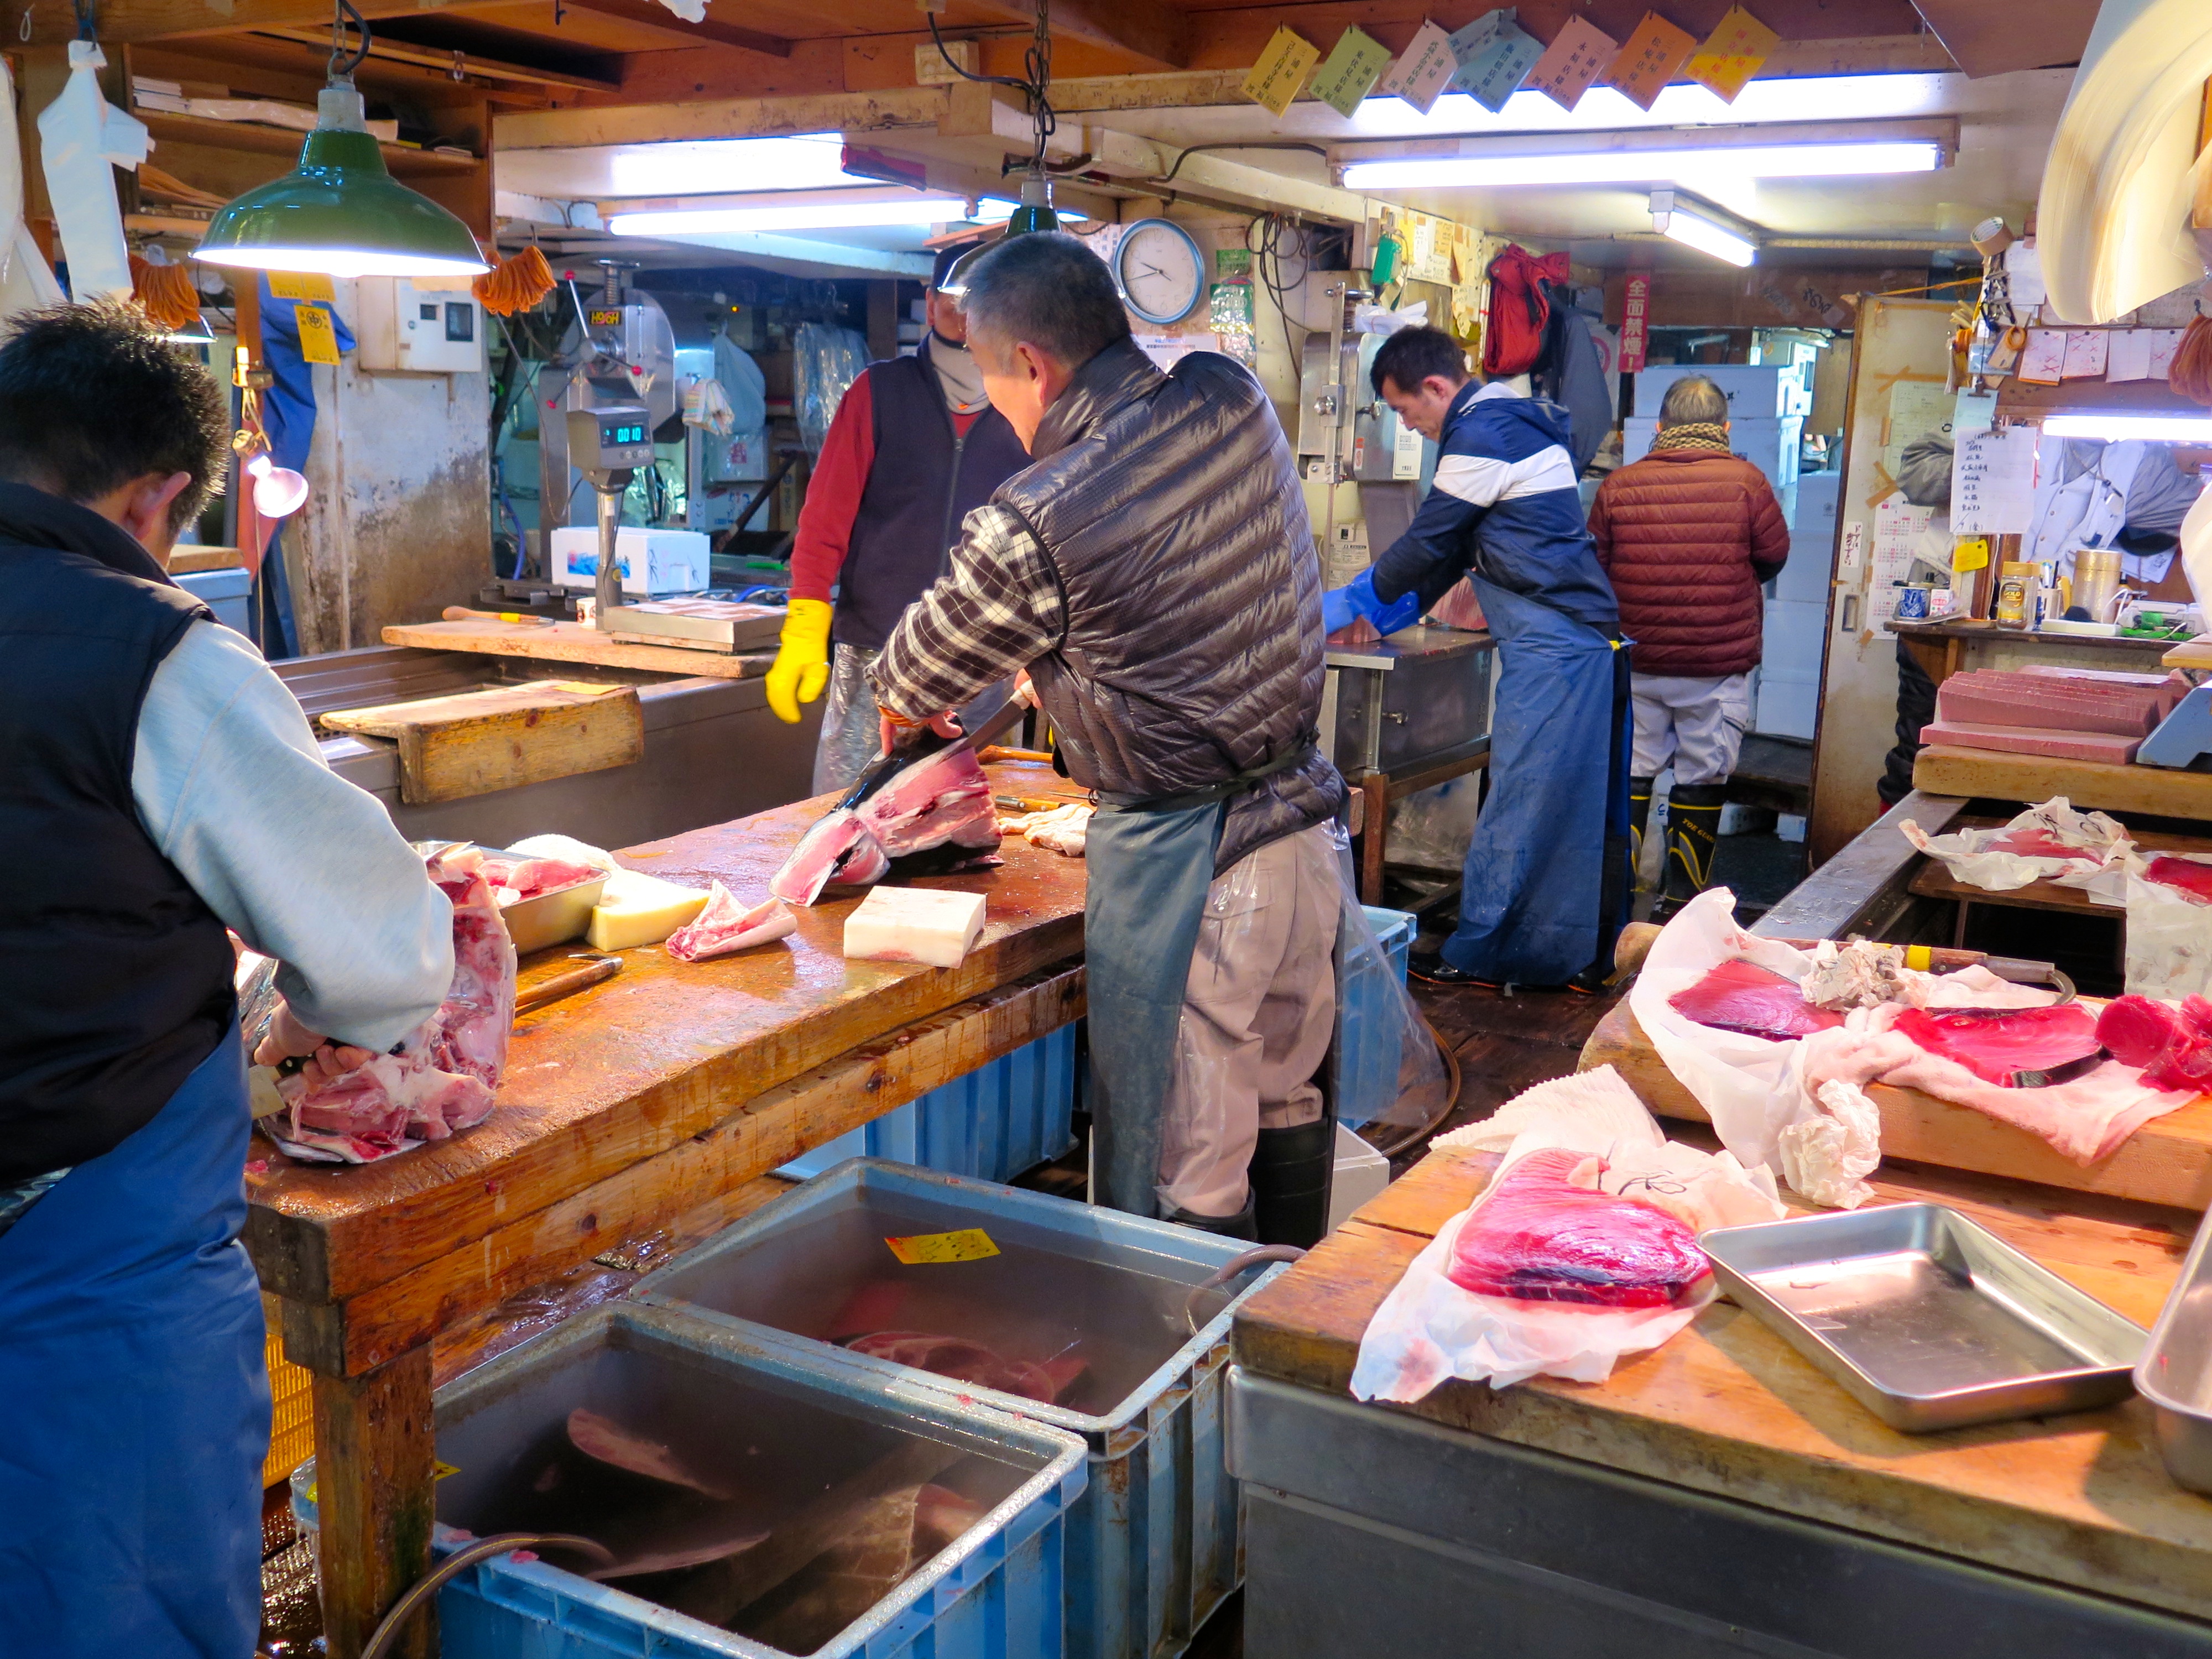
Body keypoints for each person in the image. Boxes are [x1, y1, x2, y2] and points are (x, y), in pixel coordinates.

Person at [0, 301, 453, 1657]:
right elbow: (382, 959)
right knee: (115, 1609)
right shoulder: (152, 651)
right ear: (156, 497)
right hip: (81, 1259)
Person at [867, 232, 1345, 1243]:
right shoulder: (1230, 396)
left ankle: (1192, 1347)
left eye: (990, 376)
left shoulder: (1035, 518)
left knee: (1188, 1168)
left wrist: (925, 699)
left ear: (1032, 366)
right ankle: (1287, 1326)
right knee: (1285, 1099)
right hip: (1305, 834)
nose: (995, 404)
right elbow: (1186, 607)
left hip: (1197, 873)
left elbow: (912, 674)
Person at [1326, 325, 1629, 992]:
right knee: (1566, 799)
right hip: (1570, 640)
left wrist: (1342, 603)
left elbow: (1429, 539)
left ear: (1436, 387)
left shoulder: (1484, 432)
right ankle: (1575, 955)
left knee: (1525, 796)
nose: (1408, 425)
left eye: (1405, 410)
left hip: (1557, 643)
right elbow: (1456, 549)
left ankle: (1485, 955)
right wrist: (1382, 615)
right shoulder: (1500, 423)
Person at [766, 242, 1035, 792]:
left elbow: (1048, 538)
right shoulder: (878, 393)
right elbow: (824, 519)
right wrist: (806, 618)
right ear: (930, 301)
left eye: (980, 302)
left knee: (971, 819)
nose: (964, 314)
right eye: (953, 299)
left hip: (985, 659)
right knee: (847, 810)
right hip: (876, 650)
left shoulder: (1029, 407)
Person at [1588, 373, 1789, 916]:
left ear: (1660, 427)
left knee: (1633, 769)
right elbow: (1773, 557)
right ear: (1725, 428)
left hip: (1638, 661)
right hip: (1715, 665)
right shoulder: (1747, 482)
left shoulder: (1619, 486)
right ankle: (1680, 905)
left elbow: (1595, 567)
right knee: (1703, 773)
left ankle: (1616, 908)